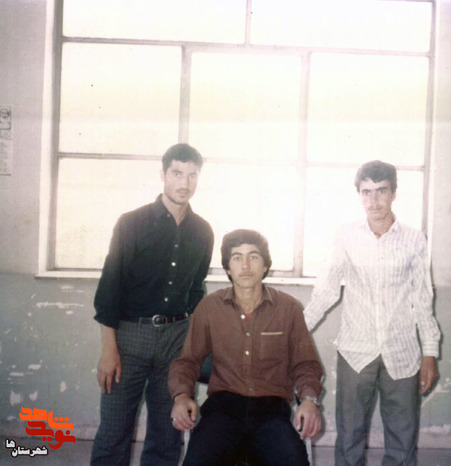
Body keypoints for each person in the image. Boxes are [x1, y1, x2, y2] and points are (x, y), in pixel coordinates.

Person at [304, 160, 441, 466]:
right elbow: (326, 291)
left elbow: (423, 299)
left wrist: (430, 353)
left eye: (381, 191)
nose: (374, 200)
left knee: (402, 439)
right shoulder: (346, 236)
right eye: (366, 192)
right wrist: (296, 331)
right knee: (349, 436)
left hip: (402, 352)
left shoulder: (414, 239)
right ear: (359, 195)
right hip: (356, 350)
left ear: (393, 193)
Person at [91, 143, 214, 465]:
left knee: (168, 433)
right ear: (163, 174)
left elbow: (196, 290)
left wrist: (193, 346)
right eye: (177, 173)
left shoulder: (203, 232)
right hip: (129, 338)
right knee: (113, 432)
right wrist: (109, 350)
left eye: (192, 175)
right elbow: (109, 289)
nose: (184, 183)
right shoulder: (131, 223)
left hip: (176, 341)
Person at [169, 229, 323, 466]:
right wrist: (181, 397)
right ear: (228, 268)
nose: (245, 265)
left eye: (253, 256)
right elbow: (188, 362)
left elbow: (306, 365)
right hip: (222, 410)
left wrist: (310, 401)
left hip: (271, 412)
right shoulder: (210, 307)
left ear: (265, 265)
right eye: (237, 257)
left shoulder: (289, 308)